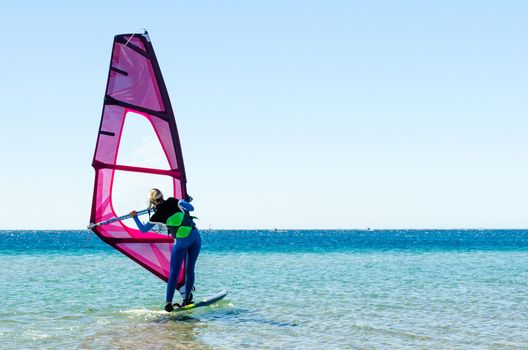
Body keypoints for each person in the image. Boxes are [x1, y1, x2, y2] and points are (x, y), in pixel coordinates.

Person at [130, 188, 201, 312]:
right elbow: (191, 208)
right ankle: (187, 300)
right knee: (190, 270)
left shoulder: (157, 215)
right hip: (195, 238)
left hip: (181, 243)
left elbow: (143, 230)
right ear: (162, 196)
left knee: (174, 273)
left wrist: (135, 217)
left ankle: (168, 304)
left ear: (152, 201)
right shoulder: (173, 201)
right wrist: (183, 202)